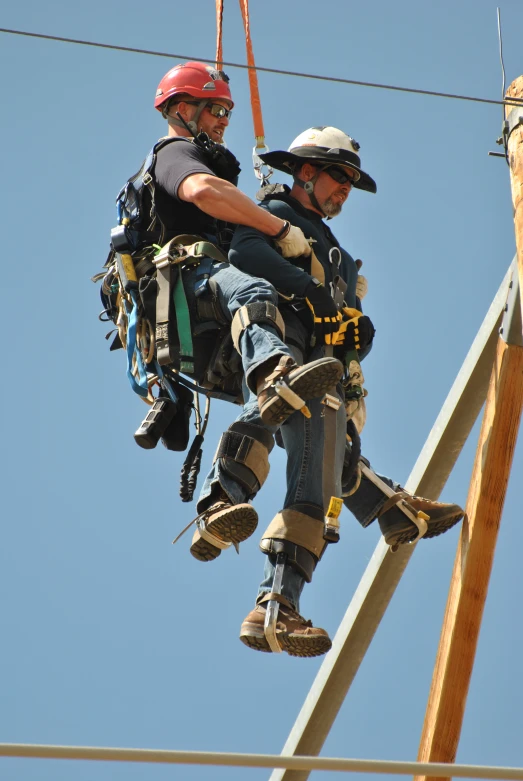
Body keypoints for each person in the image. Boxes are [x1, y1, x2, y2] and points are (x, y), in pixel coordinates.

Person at [193, 126, 465, 658]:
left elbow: (341, 315)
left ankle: (378, 517)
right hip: (285, 340)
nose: (345, 191)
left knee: (326, 463)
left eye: (350, 183)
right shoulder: (276, 214)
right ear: (307, 173)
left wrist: (356, 333)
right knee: (293, 421)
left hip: (324, 366)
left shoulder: (336, 251)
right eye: (339, 178)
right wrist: (310, 291)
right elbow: (246, 254)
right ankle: (234, 523)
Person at [110, 62, 344, 558]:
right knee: (254, 297)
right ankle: (272, 371)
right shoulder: (176, 152)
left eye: (227, 112)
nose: (222, 120)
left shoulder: (208, 157)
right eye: (214, 109)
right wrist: (279, 229)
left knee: (302, 420)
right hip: (187, 283)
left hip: (204, 325)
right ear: (180, 110)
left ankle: (219, 508)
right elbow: (202, 191)